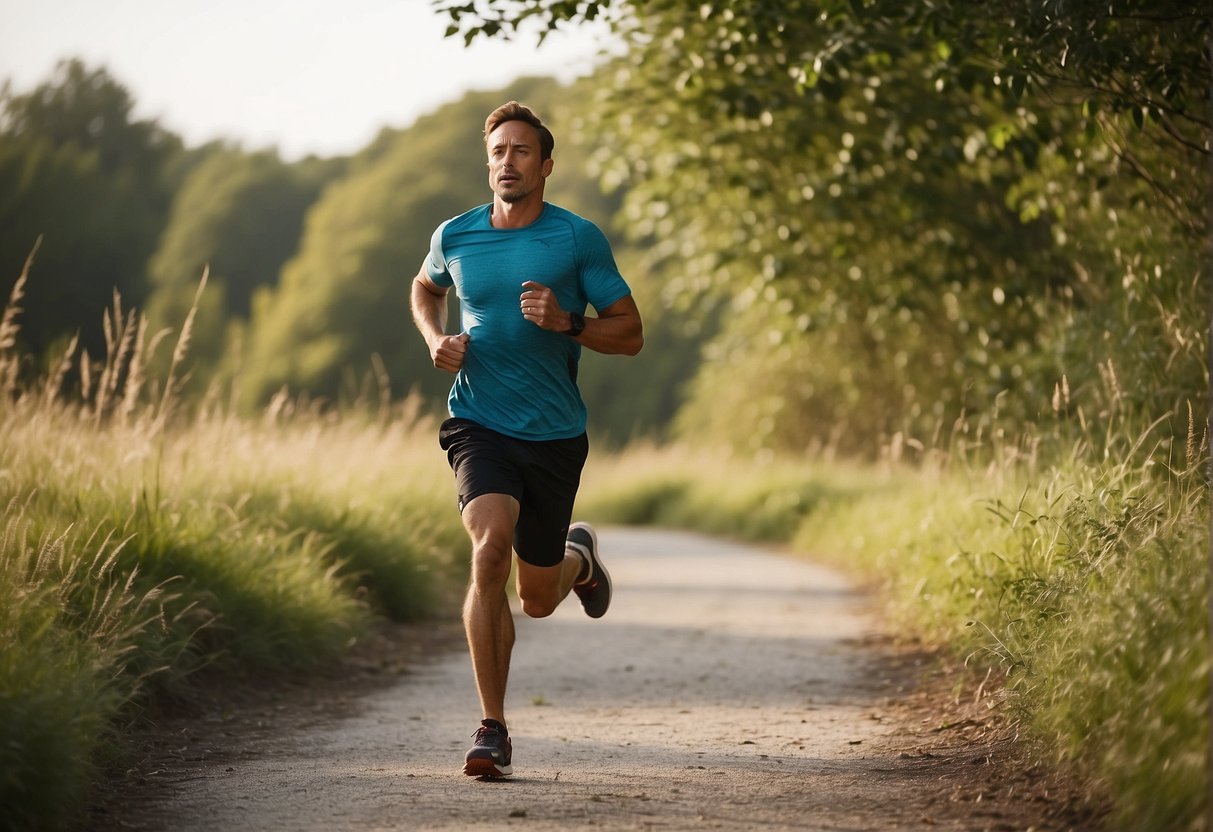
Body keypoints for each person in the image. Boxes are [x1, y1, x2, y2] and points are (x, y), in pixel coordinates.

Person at [409, 100, 643, 778]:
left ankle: (579, 562)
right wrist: (435, 339)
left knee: (537, 597)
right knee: (488, 553)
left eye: (519, 152)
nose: (505, 162)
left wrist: (569, 323)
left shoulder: (576, 240)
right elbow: (423, 289)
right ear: (487, 163)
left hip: (554, 435)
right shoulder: (455, 235)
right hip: (478, 422)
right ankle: (492, 728)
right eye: (496, 152)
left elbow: (628, 333)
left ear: (544, 165)